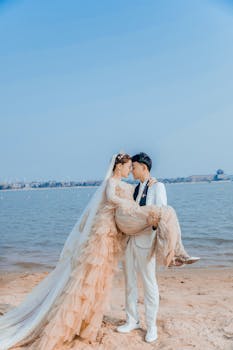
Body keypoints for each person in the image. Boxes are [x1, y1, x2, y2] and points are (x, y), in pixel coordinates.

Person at [0, 153, 199, 349]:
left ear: (144, 168)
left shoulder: (158, 186)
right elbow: (120, 204)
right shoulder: (133, 188)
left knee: (149, 283)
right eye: (129, 167)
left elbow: (161, 213)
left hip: (145, 242)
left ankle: (152, 326)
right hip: (128, 241)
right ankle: (132, 320)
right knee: (130, 282)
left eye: (134, 167)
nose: (132, 170)